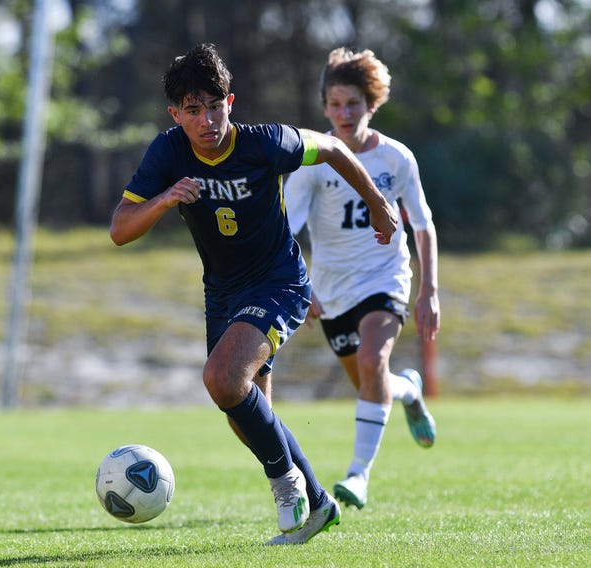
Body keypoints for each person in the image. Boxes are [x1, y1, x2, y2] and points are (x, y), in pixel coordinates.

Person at [109, 43, 398, 544]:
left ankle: (287, 487)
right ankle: (319, 503)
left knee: (222, 378)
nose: (206, 120)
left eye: (214, 106)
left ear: (230, 102)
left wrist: (375, 203)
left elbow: (331, 148)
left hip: (279, 282)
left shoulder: (267, 143)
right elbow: (119, 229)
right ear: (175, 114)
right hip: (221, 293)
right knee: (245, 413)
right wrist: (165, 199)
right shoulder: (168, 152)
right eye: (193, 111)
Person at [284, 47, 440, 511]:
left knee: (372, 360)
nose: (343, 113)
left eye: (352, 103)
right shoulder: (314, 158)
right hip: (331, 289)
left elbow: (423, 225)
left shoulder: (397, 159)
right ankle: (409, 390)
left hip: (385, 278)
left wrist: (429, 291)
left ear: (371, 103)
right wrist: (301, 285)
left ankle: (358, 475)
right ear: (324, 106)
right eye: (334, 104)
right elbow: (286, 228)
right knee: (374, 382)